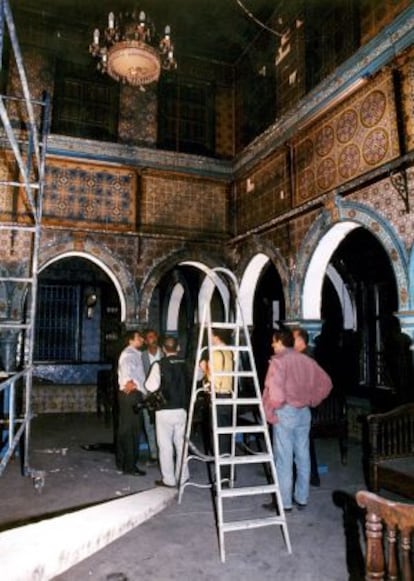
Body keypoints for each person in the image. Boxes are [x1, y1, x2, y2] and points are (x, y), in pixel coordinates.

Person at [262, 328, 332, 512]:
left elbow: (275, 393)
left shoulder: (278, 362)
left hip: (285, 412)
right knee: (302, 455)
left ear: (280, 342)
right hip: (304, 412)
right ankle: (302, 498)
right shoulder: (307, 360)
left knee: (284, 459)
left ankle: (284, 503)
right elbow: (327, 383)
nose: (272, 344)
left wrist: (270, 411)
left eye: (274, 341)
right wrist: (312, 400)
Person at [145, 335, 190, 488]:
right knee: (181, 444)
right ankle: (183, 477)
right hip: (182, 409)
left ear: (163, 349)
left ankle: (169, 480)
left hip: (164, 411)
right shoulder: (187, 364)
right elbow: (199, 375)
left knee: (165, 446)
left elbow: (150, 386)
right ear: (178, 348)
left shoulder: (159, 365)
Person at [199, 328, 234, 481]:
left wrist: (204, 368)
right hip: (228, 396)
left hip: (217, 395)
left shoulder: (214, 353)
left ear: (216, 336)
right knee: (226, 437)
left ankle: (222, 476)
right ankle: (228, 471)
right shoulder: (229, 351)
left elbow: (213, 378)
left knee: (218, 438)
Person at [292, 327, 321, 486]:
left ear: (301, 340)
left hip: (303, 406)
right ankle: (311, 477)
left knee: (301, 443)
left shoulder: (306, 357)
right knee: (304, 443)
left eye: (293, 338)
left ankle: (304, 478)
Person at [116, 330, 147, 476]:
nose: (142, 339)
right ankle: (130, 467)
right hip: (131, 395)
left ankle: (123, 463)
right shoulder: (129, 355)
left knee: (126, 430)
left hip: (129, 396)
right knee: (132, 431)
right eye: (138, 337)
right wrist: (132, 387)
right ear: (130, 340)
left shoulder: (134, 353)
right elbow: (127, 377)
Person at [141, 328, 163, 463]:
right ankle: (154, 455)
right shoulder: (141, 355)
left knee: (162, 426)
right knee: (149, 424)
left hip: (163, 395)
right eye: (149, 337)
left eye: (154, 337)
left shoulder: (164, 353)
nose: (153, 340)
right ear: (145, 340)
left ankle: (164, 454)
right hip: (147, 394)